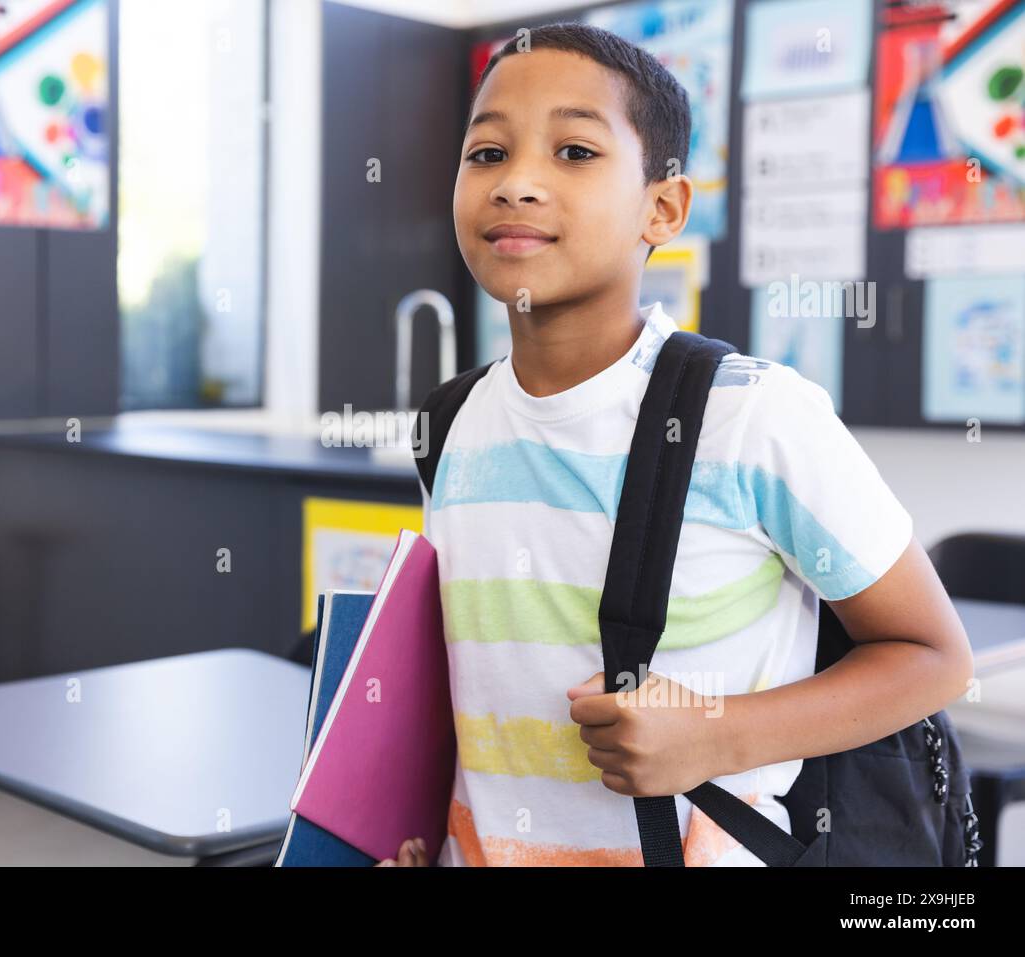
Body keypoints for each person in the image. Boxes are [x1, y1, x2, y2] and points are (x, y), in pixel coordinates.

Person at [378, 22, 972, 867]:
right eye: (486, 154)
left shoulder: (756, 415)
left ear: (663, 208)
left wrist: (715, 736)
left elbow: (934, 657)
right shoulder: (451, 421)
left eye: (575, 151)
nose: (517, 183)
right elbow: (476, 685)